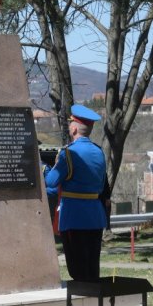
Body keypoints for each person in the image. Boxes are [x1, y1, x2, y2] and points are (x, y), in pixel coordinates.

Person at [46, 105, 107, 282]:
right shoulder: (99, 152)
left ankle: (84, 303)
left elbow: (51, 181)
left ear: (73, 128)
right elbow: (101, 184)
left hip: (74, 216)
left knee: (77, 268)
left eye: (71, 123)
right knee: (91, 266)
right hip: (95, 215)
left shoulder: (68, 154)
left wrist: (49, 168)